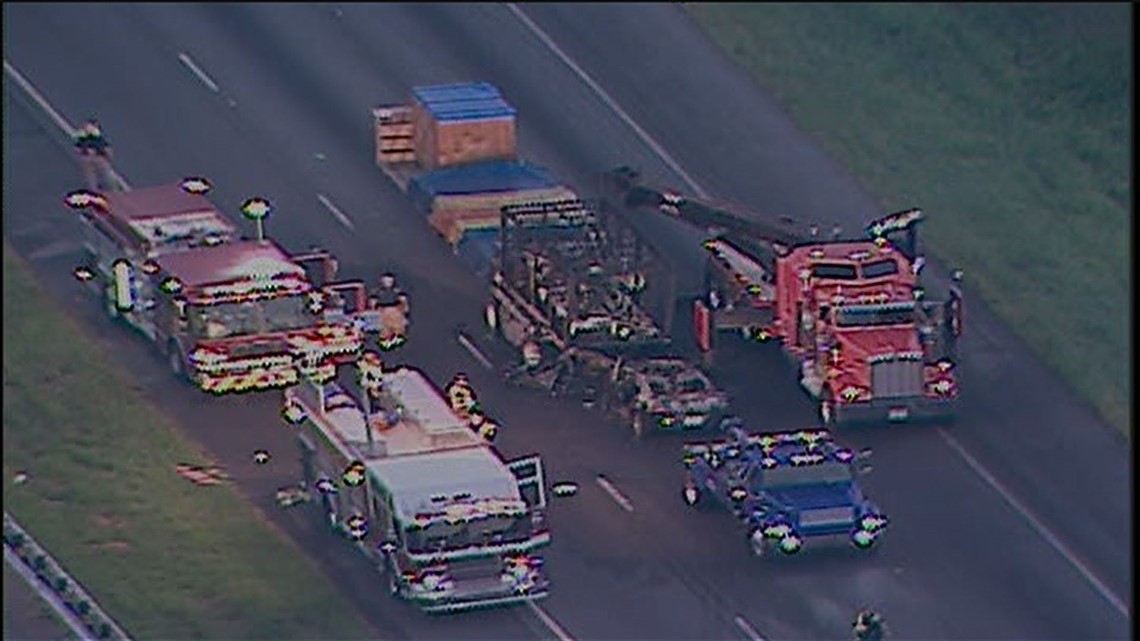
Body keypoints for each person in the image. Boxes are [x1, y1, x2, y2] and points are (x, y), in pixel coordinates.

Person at [74, 119, 114, 191]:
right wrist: (109, 158)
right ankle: (114, 190)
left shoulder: (82, 137)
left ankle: (94, 190)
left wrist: (82, 154)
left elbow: (77, 149)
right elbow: (106, 148)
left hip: (87, 157)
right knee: (106, 175)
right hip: (97, 157)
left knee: (91, 177)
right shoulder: (97, 137)